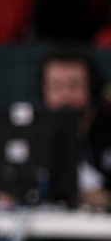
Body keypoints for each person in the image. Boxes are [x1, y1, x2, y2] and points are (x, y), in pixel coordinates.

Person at [40, 48, 111, 211]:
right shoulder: (34, 131)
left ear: (93, 88)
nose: (65, 96)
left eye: (75, 86)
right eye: (56, 86)